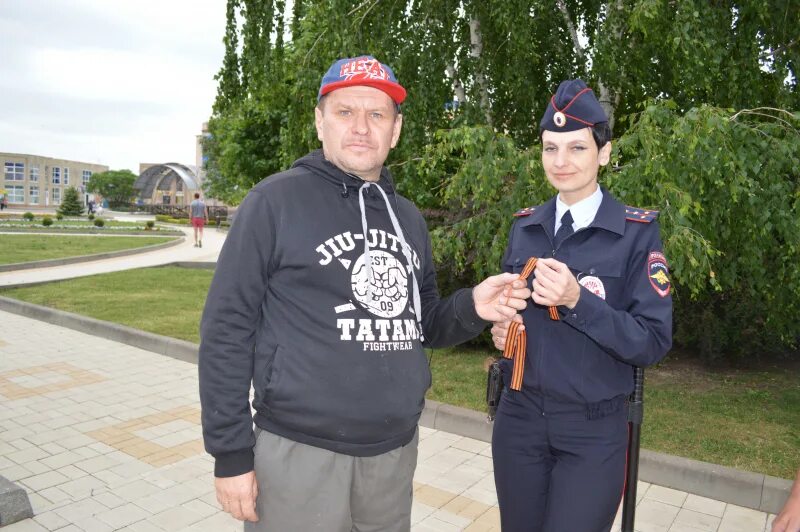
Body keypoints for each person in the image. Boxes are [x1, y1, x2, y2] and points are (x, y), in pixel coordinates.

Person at [198, 55, 532, 532]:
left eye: (376, 115)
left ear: (394, 131)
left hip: (392, 456)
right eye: (344, 112)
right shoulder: (273, 203)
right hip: (300, 454)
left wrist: (473, 305)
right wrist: (231, 455)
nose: (361, 127)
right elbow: (225, 331)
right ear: (320, 122)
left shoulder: (408, 219)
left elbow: (424, 322)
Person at [489, 79, 673, 532]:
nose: (561, 162)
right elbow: (516, 313)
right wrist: (504, 328)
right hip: (519, 419)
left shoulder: (635, 234)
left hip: (593, 430)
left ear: (603, 153)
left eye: (576, 148)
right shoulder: (526, 227)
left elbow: (652, 342)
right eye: (550, 149)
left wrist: (577, 300)